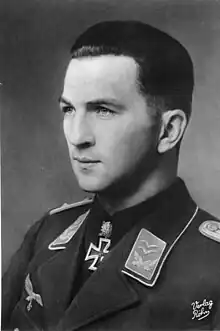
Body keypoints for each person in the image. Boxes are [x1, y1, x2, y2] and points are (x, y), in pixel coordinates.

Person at [2, 20, 220, 331]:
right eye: (68, 110)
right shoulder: (48, 234)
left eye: (103, 110)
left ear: (168, 130)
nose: (77, 136)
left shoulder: (212, 264)